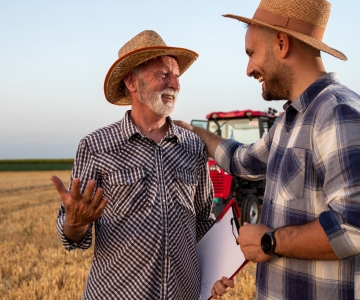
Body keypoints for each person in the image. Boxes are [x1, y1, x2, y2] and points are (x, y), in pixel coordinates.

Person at [175, 0, 360, 299]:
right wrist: (194, 132)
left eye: (251, 53)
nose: (249, 69)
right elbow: (240, 160)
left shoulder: (337, 113)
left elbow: (353, 228)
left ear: (282, 43)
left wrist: (269, 241)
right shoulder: (290, 119)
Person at [51, 30, 215, 300]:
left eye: (176, 75)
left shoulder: (194, 146)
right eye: (163, 74)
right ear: (132, 82)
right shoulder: (96, 146)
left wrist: (217, 272)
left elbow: (203, 222)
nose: (175, 84)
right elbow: (73, 235)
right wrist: (75, 223)